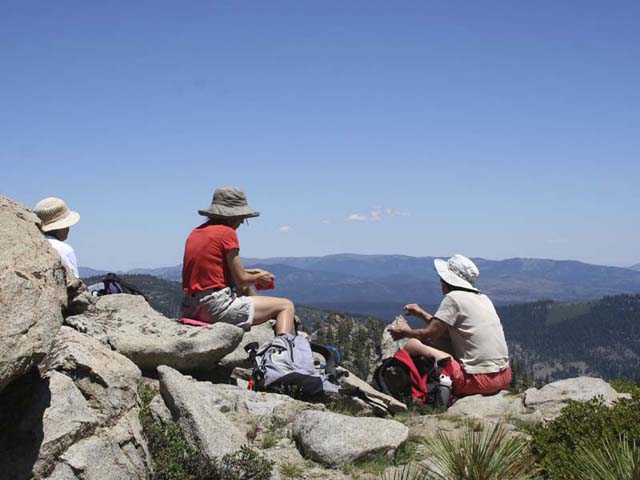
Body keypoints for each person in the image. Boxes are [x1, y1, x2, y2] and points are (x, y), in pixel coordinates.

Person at [388, 254, 511, 396]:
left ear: (447, 281)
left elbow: (431, 333)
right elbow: (441, 330)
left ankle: (415, 390)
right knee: (442, 341)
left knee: (414, 344)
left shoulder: (453, 298)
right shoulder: (484, 298)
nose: (440, 282)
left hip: (476, 381)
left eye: (441, 279)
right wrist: (421, 314)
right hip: (504, 377)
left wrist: (404, 333)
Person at [181, 186, 295, 335]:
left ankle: (263, 312)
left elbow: (214, 273)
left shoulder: (196, 232)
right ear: (234, 217)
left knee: (246, 289)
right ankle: (283, 349)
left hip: (190, 306)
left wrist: (250, 273)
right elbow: (241, 280)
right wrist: (260, 277)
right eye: (243, 219)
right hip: (215, 307)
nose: (241, 223)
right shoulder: (227, 232)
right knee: (286, 305)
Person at [33, 197, 81, 277]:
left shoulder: (33, 245)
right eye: (67, 225)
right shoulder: (65, 250)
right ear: (60, 227)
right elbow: (75, 282)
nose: (68, 229)